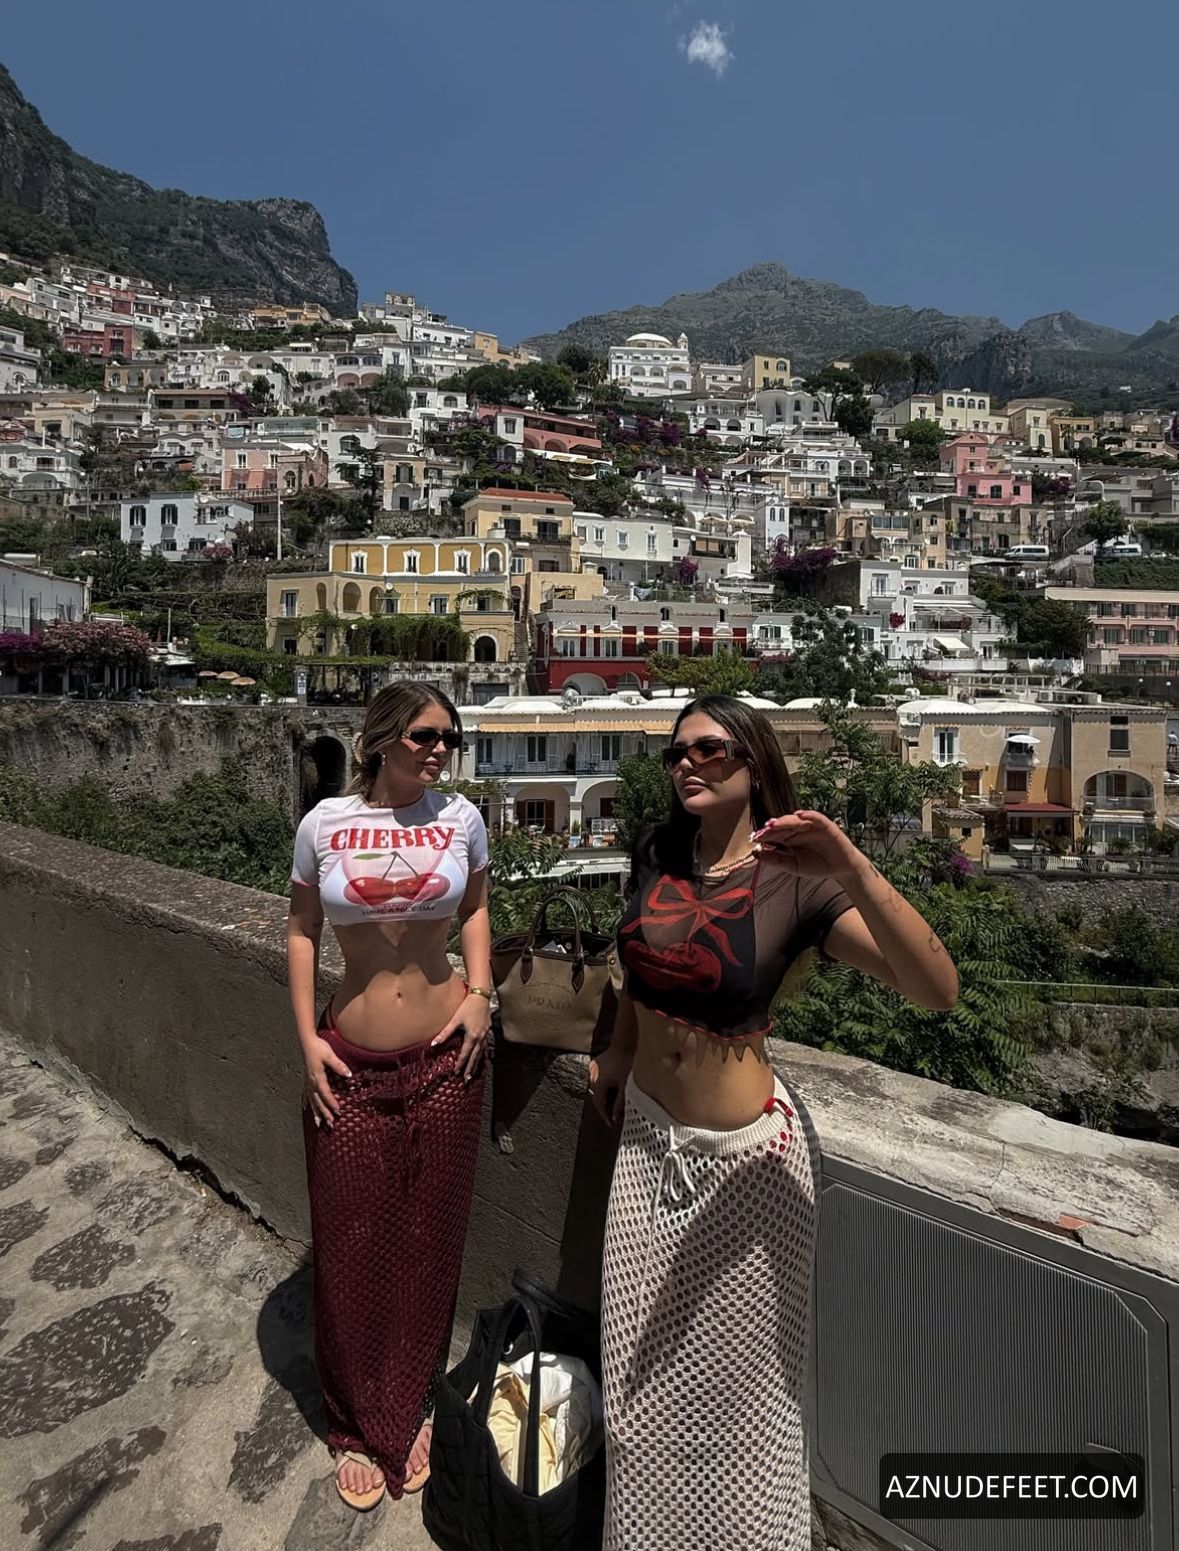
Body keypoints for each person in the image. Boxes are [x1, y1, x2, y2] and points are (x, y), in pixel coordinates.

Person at [588, 695, 959, 1551]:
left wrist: (851, 863)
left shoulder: (797, 881)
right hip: (645, 1145)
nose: (687, 764)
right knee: (635, 1394)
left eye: (709, 750)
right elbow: (639, 969)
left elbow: (934, 989)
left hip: (745, 1173)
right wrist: (616, 1050)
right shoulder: (657, 848)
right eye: (676, 752)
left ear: (753, 763)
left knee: (745, 1401)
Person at [287, 682, 493, 1511]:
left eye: (448, 736)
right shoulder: (324, 824)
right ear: (378, 740)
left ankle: (408, 1405)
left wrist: (481, 992)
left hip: (446, 1056)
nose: (439, 748)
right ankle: (351, 1417)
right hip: (348, 1059)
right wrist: (306, 1041)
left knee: (427, 1236)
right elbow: (301, 930)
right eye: (423, 735)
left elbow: (476, 908)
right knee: (348, 1237)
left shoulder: (462, 817)